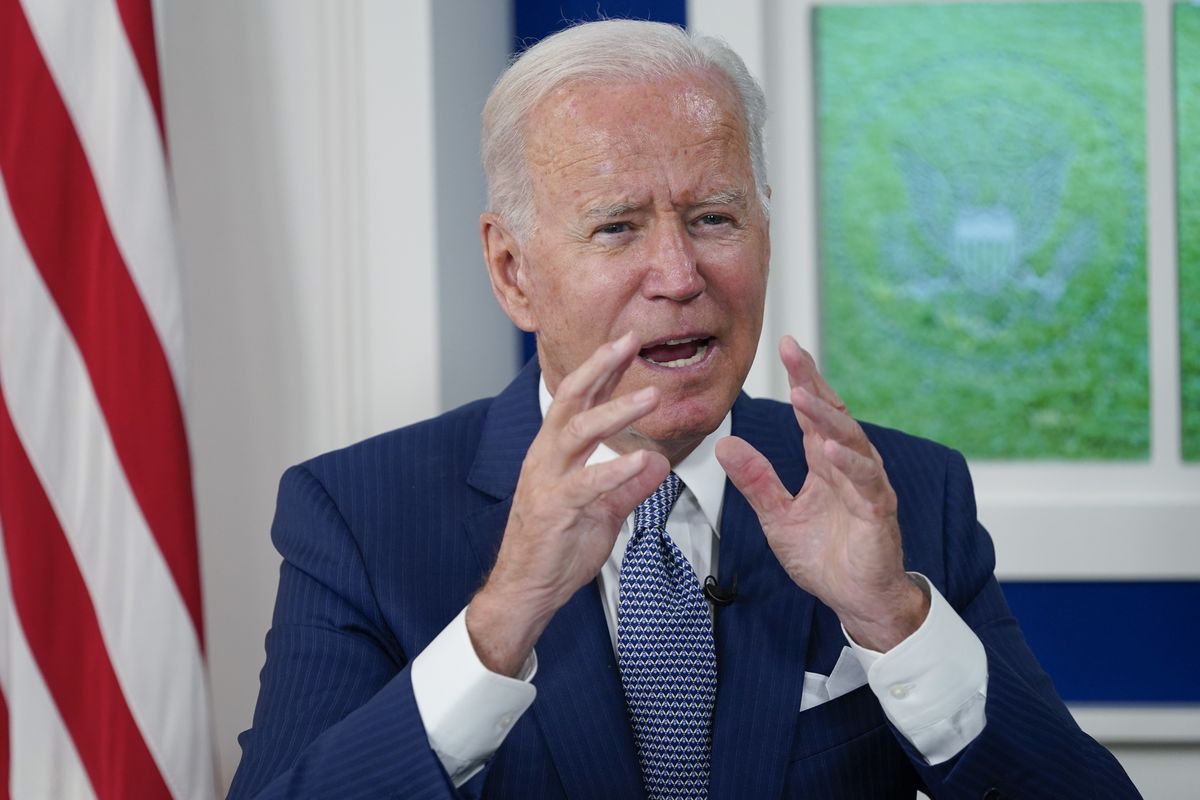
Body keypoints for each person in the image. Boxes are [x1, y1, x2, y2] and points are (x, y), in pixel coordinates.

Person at [228, 19, 1139, 800]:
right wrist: (499, 623)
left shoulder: (908, 493)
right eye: (617, 227)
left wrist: (894, 622)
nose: (679, 276)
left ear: (766, 233)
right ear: (513, 271)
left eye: (713, 218)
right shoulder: (356, 515)